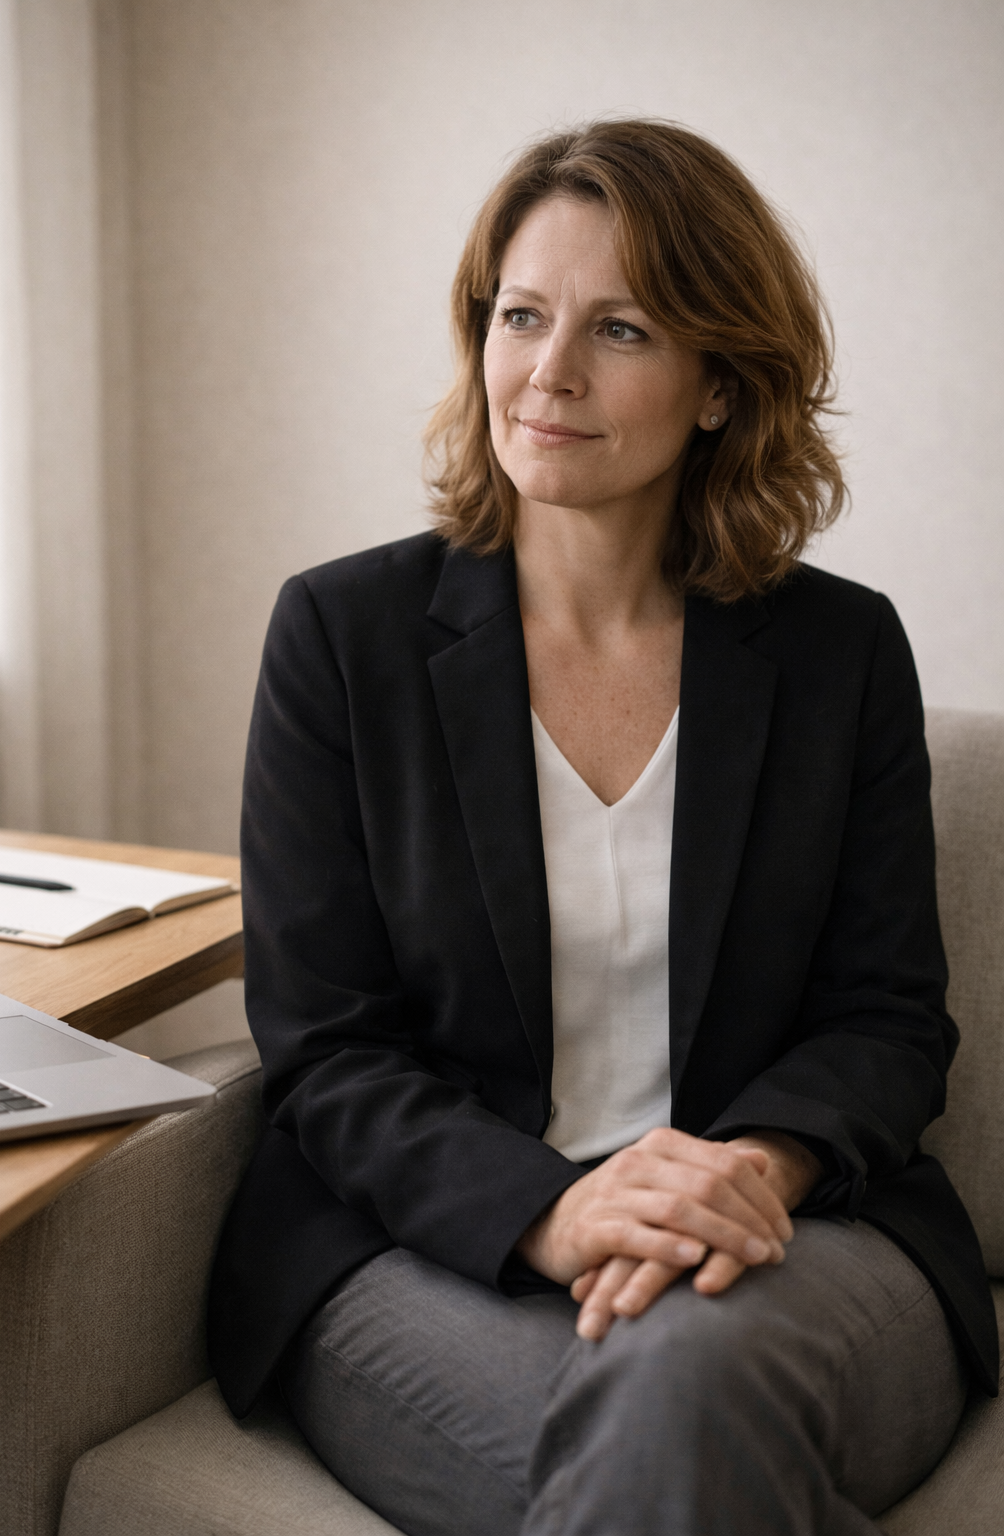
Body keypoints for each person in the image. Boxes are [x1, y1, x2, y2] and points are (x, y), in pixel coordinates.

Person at [207, 120, 998, 1536]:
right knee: (680, 1427)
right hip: (431, 1250)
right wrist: (550, 1212)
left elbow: (886, 1021)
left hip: (786, 1242)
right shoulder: (343, 637)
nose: (548, 372)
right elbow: (326, 1050)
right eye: (521, 315)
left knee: (687, 1380)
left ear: (717, 387)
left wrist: (752, 1170)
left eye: (621, 328)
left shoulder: (841, 654)